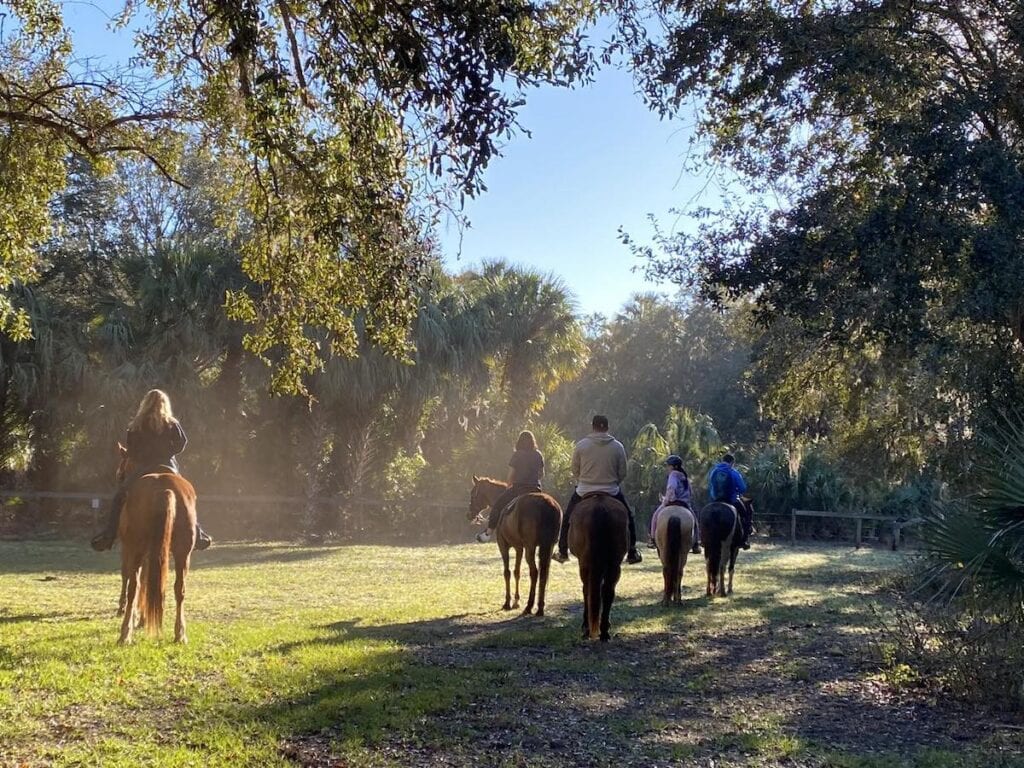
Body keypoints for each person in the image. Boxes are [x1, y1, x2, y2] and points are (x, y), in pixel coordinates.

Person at [90, 389, 212, 552]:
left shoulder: (136, 425)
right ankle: (198, 534)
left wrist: (142, 456)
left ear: (145, 404)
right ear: (165, 404)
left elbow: (132, 450)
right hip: (168, 465)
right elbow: (182, 443)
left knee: (119, 496)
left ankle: (108, 536)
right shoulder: (171, 423)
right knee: (186, 496)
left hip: (143, 468)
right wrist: (167, 453)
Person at [553, 415, 642, 565]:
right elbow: (623, 472)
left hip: (584, 490)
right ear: (607, 427)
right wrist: (613, 482)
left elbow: (575, 469)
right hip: (611, 490)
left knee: (568, 518)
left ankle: (562, 550)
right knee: (629, 517)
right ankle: (632, 551)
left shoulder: (581, 445)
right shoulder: (617, 446)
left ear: (592, 426)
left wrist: (584, 480)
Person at [476, 430, 545, 543]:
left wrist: (509, 486)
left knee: (497, 505)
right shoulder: (538, 454)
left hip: (518, 489)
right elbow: (541, 474)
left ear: (519, 442)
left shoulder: (517, 454)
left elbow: (511, 475)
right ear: (533, 441)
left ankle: (488, 533)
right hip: (535, 489)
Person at [648, 455, 700, 554]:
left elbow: (671, 488)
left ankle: (653, 538)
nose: (667, 468)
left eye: (668, 466)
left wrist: (666, 500)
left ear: (674, 466)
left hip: (672, 501)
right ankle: (696, 543)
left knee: (655, 517)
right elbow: (690, 492)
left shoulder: (673, 475)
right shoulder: (685, 477)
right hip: (684, 504)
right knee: (695, 522)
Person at [707, 452, 751, 549]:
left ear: (722, 461)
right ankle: (744, 540)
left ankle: (703, 538)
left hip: (715, 500)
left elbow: (709, 486)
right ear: (732, 462)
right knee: (745, 514)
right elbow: (742, 488)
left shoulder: (713, 471)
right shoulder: (734, 472)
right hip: (731, 500)